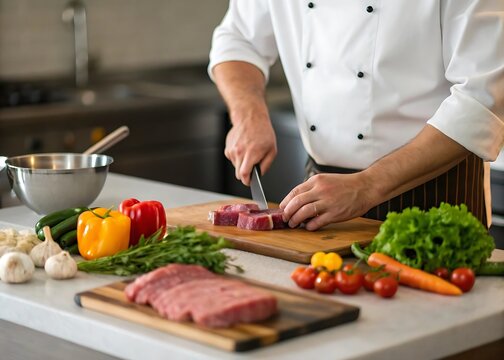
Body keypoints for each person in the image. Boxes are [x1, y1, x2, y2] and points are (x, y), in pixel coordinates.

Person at [208, 1, 504, 231]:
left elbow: (481, 97)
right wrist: (248, 113)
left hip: (435, 192)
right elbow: (239, 39)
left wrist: (367, 185)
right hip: (322, 196)